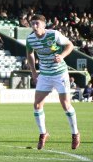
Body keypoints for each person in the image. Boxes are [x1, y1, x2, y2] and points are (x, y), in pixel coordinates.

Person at [26, 14, 80, 150]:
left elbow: (70, 45)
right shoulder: (30, 39)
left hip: (60, 73)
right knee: (37, 104)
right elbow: (30, 54)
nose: (34, 26)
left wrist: (61, 56)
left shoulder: (54, 35)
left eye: (37, 23)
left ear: (44, 25)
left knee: (66, 105)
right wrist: (34, 72)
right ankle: (43, 133)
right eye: (32, 23)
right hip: (44, 75)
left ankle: (75, 133)